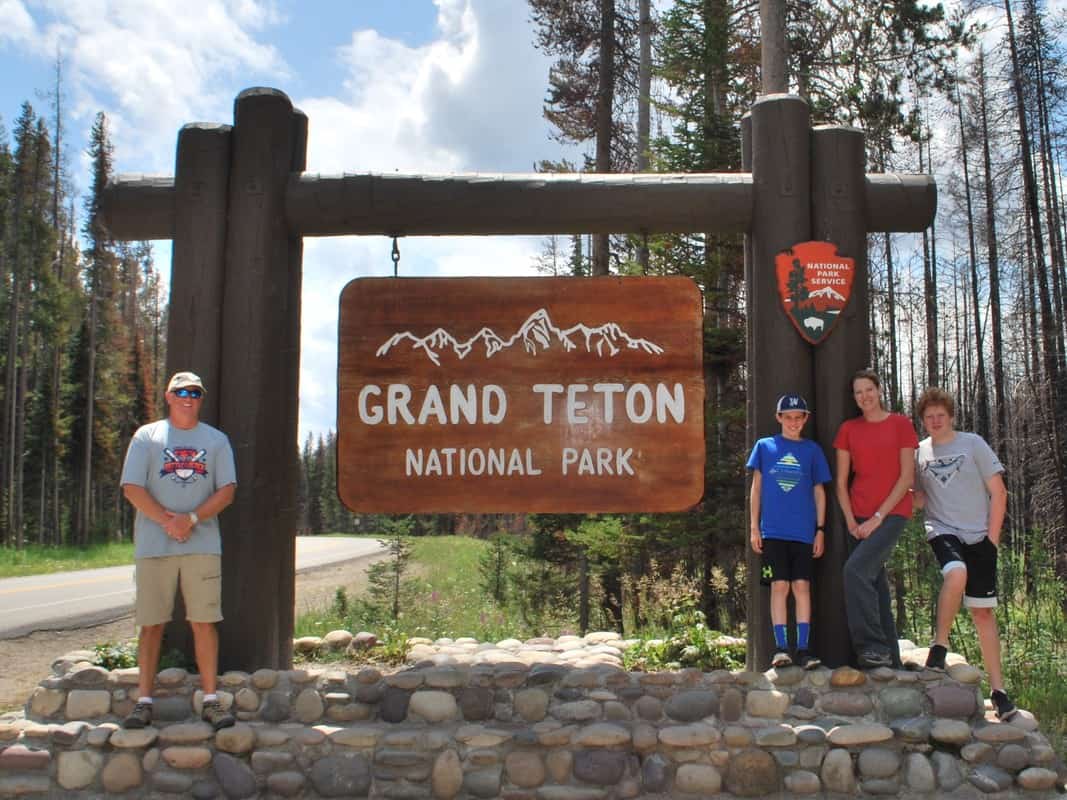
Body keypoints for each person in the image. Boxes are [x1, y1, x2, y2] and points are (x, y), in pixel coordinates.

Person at [120, 372, 237, 731]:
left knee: (204, 621)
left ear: (201, 399)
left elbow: (227, 490)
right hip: (155, 546)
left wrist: (190, 518)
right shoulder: (147, 436)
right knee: (151, 623)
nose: (188, 397)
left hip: (202, 546)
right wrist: (169, 523)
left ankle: (212, 700)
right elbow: (132, 487)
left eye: (195, 393)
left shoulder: (216, 441)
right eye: (181, 391)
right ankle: (143, 701)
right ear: (168, 396)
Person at [913, 388, 1016, 721]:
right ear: (923, 421)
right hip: (942, 528)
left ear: (951, 416)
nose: (935, 421)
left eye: (940, 415)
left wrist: (992, 540)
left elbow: (998, 491)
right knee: (955, 573)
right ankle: (939, 645)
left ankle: (999, 691)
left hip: (979, 536)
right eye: (929, 417)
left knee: (983, 614)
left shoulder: (973, 444)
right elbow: (917, 498)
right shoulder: (919, 452)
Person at [834, 369, 918, 669]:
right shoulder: (848, 429)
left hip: (892, 513)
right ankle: (891, 660)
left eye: (869, 389)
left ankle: (871, 647)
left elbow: (907, 476)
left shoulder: (901, 425)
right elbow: (841, 482)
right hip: (858, 515)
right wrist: (851, 522)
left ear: (879, 390)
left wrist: (878, 518)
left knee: (854, 572)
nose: (864, 397)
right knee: (874, 583)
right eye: (858, 392)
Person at [748, 393, 831, 670]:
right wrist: (754, 527)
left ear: (805, 419)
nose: (794, 422)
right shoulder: (765, 447)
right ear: (778, 418)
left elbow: (819, 493)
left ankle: (804, 649)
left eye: (799, 417)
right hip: (772, 532)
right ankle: (781, 648)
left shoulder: (812, 451)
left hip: (803, 533)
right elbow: (756, 489)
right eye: (788, 417)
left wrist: (820, 529)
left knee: (801, 587)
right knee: (779, 586)